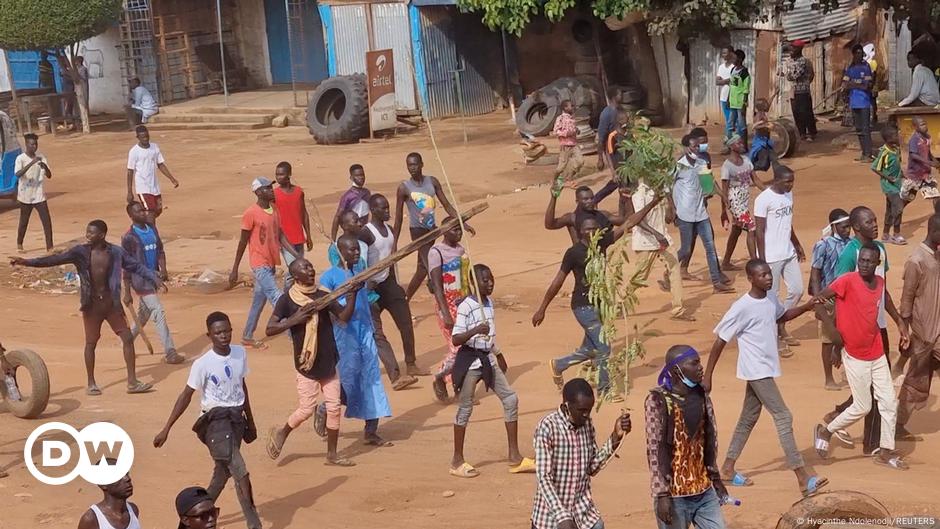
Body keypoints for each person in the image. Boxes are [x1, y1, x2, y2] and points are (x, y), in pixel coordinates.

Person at [703, 259, 827, 496]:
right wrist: (708, 376)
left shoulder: (770, 298)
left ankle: (727, 468)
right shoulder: (742, 307)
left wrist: (807, 307)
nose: (769, 278)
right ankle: (802, 477)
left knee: (748, 417)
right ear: (751, 279)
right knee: (783, 415)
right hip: (756, 369)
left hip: (767, 368)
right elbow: (721, 339)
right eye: (763, 275)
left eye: (769, 274)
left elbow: (781, 317)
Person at [10, 220, 160, 396]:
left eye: (91, 233)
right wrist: (27, 262)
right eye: (87, 232)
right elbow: (54, 260)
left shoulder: (116, 252)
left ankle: (132, 382)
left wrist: (153, 278)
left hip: (112, 305)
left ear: (102, 235)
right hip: (91, 306)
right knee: (91, 343)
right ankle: (91, 382)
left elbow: (136, 266)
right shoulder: (80, 252)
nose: (87, 235)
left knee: (127, 338)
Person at [153, 312, 261, 529]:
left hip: (236, 420)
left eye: (227, 330)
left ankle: (191, 517)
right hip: (215, 424)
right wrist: (167, 428)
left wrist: (250, 420)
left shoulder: (240, 353)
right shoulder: (202, 364)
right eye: (218, 332)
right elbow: (186, 395)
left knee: (222, 474)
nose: (224, 336)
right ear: (209, 335)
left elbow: (242, 386)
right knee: (240, 470)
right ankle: (254, 524)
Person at [811, 244, 909, 470]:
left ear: (877, 264)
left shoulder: (879, 283)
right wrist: (833, 333)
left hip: (876, 352)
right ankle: (826, 430)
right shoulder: (846, 281)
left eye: (869, 261)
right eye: (862, 260)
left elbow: (886, 300)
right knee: (863, 406)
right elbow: (818, 302)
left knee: (888, 403)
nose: (864, 264)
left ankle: (885, 451)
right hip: (854, 355)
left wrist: (900, 324)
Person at [533, 217, 643, 397]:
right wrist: (542, 308)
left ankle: (559, 365)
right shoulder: (574, 253)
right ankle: (604, 390)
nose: (592, 232)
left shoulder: (602, 243)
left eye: (595, 228)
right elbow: (558, 281)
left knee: (591, 349)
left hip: (601, 306)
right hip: (583, 307)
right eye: (588, 229)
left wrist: (655, 200)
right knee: (604, 347)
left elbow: (629, 223)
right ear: (580, 231)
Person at [264, 258, 356, 466]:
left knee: (334, 408)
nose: (311, 269)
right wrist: (294, 320)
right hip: (306, 366)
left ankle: (332, 454)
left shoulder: (323, 296)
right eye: (305, 268)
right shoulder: (287, 300)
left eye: (311, 266)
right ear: (296, 276)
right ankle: (282, 432)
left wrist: (352, 296)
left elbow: (343, 317)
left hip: (328, 361)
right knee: (306, 409)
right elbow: (270, 329)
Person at [449, 264, 536, 477]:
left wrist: (498, 353)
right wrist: (476, 330)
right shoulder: (466, 306)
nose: (490, 284)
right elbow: (456, 338)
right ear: (473, 283)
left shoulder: (488, 304)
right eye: (484, 280)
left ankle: (514, 457)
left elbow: (490, 337)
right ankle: (457, 461)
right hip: (470, 361)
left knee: (510, 399)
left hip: (487, 358)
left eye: (491, 279)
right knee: (466, 408)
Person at [321, 235, 393, 446]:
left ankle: (371, 430)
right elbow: (326, 307)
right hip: (344, 336)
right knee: (348, 381)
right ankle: (325, 408)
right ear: (340, 252)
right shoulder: (330, 277)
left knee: (372, 380)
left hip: (365, 332)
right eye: (350, 249)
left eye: (356, 249)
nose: (355, 252)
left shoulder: (361, 272)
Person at [530, 378, 631, 529]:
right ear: (566, 407)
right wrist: (563, 517)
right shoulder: (547, 427)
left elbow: (592, 468)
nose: (586, 415)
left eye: (589, 410)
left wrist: (615, 436)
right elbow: (544, 478)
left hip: (583, 514)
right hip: (551, 519)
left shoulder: (587, 425)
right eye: (581, 410)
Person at [646, 346, 729, 529]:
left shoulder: (701, 395)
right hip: (674, 495)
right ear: (677, 369)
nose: (701, 367)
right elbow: (654, 450)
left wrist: (716, 480)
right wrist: (661, 495)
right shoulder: (658, 400)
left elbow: (710, 442)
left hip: (704, 490)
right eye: (694, 363)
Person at [359, 193, 427, 380]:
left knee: (405, 322)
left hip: (388, 282)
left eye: (388, 207)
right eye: (383, 208)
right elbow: (360, 259)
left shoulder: (389, 229)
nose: (388, 211)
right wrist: (366, 282)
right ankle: (392, 373)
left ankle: (411, 363)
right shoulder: (366, 232)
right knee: (374, 332)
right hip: (371, 287)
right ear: (373, 210)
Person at [229, 177, 298, 350]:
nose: (271, 191)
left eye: (270, 187)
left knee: (258, 301)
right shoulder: (250, 213)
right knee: (278, 297)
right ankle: (294, 335)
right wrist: (235, 269)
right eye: (267, 188)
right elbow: (243, 242)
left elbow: (280, 235)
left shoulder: (274, 209)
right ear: (258, 192)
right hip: (259, 263)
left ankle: (247, 336)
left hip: (270, 262)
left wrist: (297, 256)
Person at [393, 152, 472, 300]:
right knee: (431, 268)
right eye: (409, 165)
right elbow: (398, 218)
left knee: (422, 269)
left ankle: (405, 299)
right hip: (417, 231)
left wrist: (463, 222)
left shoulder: (432, 182)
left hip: (432, 230)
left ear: (422, 164)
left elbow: (447, 205)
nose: (413, 168)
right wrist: (394, 243)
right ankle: (444, 302)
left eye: (415, 164)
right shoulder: (404, 188)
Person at [671, 131, 734, 293]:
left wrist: (724, 197)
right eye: (694, 146)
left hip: (700, 212)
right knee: (685, 249)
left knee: (710, 247)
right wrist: (671, 209)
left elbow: (709, 183)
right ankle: (668, 273)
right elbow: (666, 188)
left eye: (698, 146)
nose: (697, 148)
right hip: (684, 213)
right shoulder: (679, 166)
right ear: (686, 148)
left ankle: (716, 282)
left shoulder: (701, 163)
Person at [896, 214, 940, 443]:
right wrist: (905, 330)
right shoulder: (917, 260)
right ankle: (895, 424)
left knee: (917, 378)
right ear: (934, 232)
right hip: (924, 333)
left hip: (937, 331)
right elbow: (907, 299)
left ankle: (896, 424)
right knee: (915, 379)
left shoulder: (937, 255)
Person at [122, 201, 183, 364]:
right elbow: (126, 266)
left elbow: (160, 250)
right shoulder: (129, 237)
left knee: (144, 314)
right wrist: (127, 290)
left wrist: (163, 270)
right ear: (131, 215)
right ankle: (170, 351)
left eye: (143, 210)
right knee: (158, 311)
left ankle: (128, 340)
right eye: (138, 211)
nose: (142, 213)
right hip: (140, 281)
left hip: (153, 275)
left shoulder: (152, 229)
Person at [754, 164, 805, 352]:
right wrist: (762, 260)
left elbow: (788, 223)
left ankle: (781, 323)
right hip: (771, 256)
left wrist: (797, 244)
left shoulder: (788, 195)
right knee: (772, 297)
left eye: (792, 182)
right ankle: (773, 338)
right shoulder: (763, 199)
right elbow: (759, 231)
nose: (790, 185)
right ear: (776, 180)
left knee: (798, 290)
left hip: (788, 252)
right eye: (787, 182)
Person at [629, 176, 694, 321]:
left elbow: (668, 218)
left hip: (663, 237)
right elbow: (637, 220)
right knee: (640, 276)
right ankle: (619, 304)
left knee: (674, 268)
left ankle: (678, 309)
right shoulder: (639, 194)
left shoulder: (661, 189)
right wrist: (657, 234)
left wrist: (670, 201)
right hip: (646, 240)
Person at [809, 209, 852, 390]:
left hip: (847, 296)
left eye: (848, 227)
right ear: (834, 226)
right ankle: (828, 378)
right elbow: (815, 272)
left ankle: (848, 373)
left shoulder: (851, 244)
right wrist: (818, 298)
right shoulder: (823, 245)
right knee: (828, 339)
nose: (847, 230)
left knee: (848, 335)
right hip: (828, 297)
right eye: (843, 227)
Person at [428, 219, 470, 402]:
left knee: (466, 346)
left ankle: (455, 384)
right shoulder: (436, 252)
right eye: (454, 229)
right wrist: (445, 312)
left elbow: (465, 279)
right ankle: (442, 376)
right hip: (446, 303)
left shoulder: (461, 250)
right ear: (444, 231)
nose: (459, 233)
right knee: (457, 347)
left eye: (460, 229)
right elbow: (437, 286)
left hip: (463, 302)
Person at [546, 184, 660, 251]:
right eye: (585, 199)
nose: (590, 201)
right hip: (580, 259)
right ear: (577, 201)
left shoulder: (603, 215)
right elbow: (550, 224)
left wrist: (627, 200)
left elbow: (628, 221)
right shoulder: (572, 218)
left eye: (591, 198)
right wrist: (554, 198)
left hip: (602, 257)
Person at [720, 134, 764, 270]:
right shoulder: (727, 166)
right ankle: (754, 263)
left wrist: (767, 190)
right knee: (751, 228)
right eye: (738, 143)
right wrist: (724, 211)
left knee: (737, 230)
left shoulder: (746, 160)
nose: (742, 145)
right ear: (732, 146)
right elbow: (724, 189)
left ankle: (726, 262)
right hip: (735, 202)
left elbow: (755, 179)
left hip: (744, 202)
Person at [273, 161, 313, 290]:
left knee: (299, 269)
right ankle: (286, 298)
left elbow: (304, 214)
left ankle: (296, 295)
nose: (278, 177)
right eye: (277, 174)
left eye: (281, 174)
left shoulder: (298, 192)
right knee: (293, 270)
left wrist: (309, 236)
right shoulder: (274, 194)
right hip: (285, 240)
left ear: (289, 174)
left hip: (299, 237)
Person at [126, 125, 179, 219]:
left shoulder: (154, 147)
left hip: (154, 186)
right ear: (138, 137)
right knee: (149, 212)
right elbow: (130, 171)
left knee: (157, 210)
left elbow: (160, 164)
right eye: (143, 137)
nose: (145, 139)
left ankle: (145, 225)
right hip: (143, 186)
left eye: (147, 136)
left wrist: (172, 179)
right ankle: (150, 232)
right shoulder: (134, 151)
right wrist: (130, 191)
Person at [14, 133, 53, 252]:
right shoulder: (20, 158)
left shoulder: (41, 157)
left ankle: (50, 247)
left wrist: (44, 166)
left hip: (39, 195)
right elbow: (18, 174)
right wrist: (32, 163)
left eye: (35, 144)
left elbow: (49, 175)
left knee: (47, 221)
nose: (34, 147)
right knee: (24, 221)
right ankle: (19, 243)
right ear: (26, 145)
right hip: (25, 195)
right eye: (31, 144)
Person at [872, 125, 908, 245]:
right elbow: (874, 167)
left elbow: (896, 165)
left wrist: (902, 174)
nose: (898, 137)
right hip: (889, 186)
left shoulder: (896, 149)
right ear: (888, 139)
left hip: (896, 184)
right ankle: (896, 234)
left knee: (890, 209)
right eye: (895, 135)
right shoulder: (884, 152)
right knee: (898, 208)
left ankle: (885, 234)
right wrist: (889, 178)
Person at [842, 44, 874, 162]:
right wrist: (856, 85)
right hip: (854, 102)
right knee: (859, 129)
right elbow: (845, 84)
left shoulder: (866, 67)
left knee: (865, 129)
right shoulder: (850, 68)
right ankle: (863, 153)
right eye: (857, 53)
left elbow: (867, 86)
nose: (860, 55)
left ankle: (868, 154)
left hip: (864, 102)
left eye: (861, 53)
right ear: (854, 54)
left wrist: (853, 84)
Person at [593, 110, 630, 206]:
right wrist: (614, 172)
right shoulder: (612, 136)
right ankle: (595, 200)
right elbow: (609, 154)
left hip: (628, 167)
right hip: (618, 167)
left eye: (627, 119)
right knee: (616, 186)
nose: (627, 122)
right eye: (624, 120)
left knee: (625, 188)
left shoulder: (629, 134)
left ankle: (625, 209)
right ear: (619, 121)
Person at [784, 41, 817, 141]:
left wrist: (787, 74)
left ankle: (811, 133)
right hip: (794, 90)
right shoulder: (790, 61)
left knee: (805, 112)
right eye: (791, 48)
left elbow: (794, 76)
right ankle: (802, 133)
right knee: (796, 113)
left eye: (794, 48)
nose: (791, 50)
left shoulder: (803, 61)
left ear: (799, 49)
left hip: (803, 91)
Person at [904, 116, 940, 202]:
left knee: (935, 196)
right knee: (907, 199)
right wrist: (928, 162)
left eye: (925, 124)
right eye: (922, 125)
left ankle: (938, 214)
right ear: (915, 127)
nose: (925, 126)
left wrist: (934, 161)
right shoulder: (914, 139)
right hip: (914, 175)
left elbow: (928, 152)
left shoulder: (927, 137)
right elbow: (913, 155)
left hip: (926, 174)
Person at [332, 164, 370, 239]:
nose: (361, 178)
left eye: (362, 175)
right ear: (351, 178)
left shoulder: (367, 193)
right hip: (352, 234)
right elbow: (337, 216)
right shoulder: (348, 196)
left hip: (365, 232)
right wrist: (333, 239)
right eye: (357, 175)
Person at [551, 100, 583, 191]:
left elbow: (573, 129)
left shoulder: (572, 118)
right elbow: (555, 131)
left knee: (580, 161)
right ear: (565, 108)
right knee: (561, 166)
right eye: (571, 106)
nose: (573, 107)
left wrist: (577, 130)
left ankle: (570, 178)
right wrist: (566, 133)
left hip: (574, 144)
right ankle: (554, 180)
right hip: (565, 145)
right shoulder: (560, 118)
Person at [728, 49, 751, 149]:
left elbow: (746, 89)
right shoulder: (733, 70)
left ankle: (744, 146)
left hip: (740, 102)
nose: (732, 59)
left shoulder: (744, 72)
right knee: (730, 124)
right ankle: (730, 145)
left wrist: (744, 104)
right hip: (732, 102)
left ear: (740, 59)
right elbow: (731, 85)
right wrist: (729, 98)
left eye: (734, 57)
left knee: (742, 125)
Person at [596, 86, 621, 171]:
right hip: (614, 150)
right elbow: (601, 138)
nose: (622, 96)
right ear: (615, 97)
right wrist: (600, 159)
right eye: (620, 94)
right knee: (620, 176)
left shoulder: (621, 110)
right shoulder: (606, 114)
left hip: (626, 147)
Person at [716, 46, 736, 146]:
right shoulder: (721, 67)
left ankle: (728, 143)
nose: (724, 55)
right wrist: (727, 80)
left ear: (731, 54)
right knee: (729, 121)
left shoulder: (734, 67)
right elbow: (717, 82)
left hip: (733, 98)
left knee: (731, 122)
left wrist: (723, 81)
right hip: (724, 97)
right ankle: (729, 143)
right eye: (722, 53)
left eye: (725, 53)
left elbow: (735, 81)